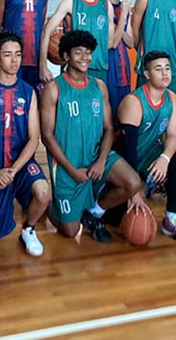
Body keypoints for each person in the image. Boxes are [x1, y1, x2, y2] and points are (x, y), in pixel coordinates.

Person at [40, 30, 142, 243]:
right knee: (69, 231)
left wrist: (102, 160)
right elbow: (47, 136)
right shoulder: (54, 89)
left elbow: (107, 128)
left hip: (97, 158)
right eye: (78, 53)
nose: (85, 57)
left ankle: (94, 213)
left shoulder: (99, 87)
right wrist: (71, 170)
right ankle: (43, 203)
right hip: (68, 165)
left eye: (88, 53)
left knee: (132, 183)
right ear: (66, 57)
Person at [0, 31, 50, 255]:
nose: (14, 60)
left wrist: (14, 171)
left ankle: (28, 229)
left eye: (17, 54)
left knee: (44, 192)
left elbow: (34, 137)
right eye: (7, 55)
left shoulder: (29, 92)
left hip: (21, 165)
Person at [117, 50, 176, 244]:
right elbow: (128, 151)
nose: (165, 73)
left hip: (148, 155)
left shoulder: (172, 98)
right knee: (114, 219)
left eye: (168, 68)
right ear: (147, 74)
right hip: (122, 161)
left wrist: (164, 159)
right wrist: (134, 191)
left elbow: (174, 136)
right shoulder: (134, 102)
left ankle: (171, 218)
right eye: (158, 69)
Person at [39, 0, 122, 85]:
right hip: (74, 69)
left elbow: (110, 43)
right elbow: (46, 31)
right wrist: (43, 65)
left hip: (99, 69)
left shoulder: (106, 6)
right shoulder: (70, 1)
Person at [105, 0, 135, 117]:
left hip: (123, 65)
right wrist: (122, 16)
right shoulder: (103, 6)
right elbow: (113, 43)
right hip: (108, 64)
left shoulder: (125, 8)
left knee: (123, 114)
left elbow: (130, 42)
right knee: (108, 114)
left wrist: (123, 19)